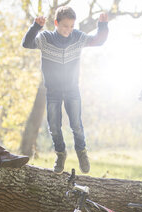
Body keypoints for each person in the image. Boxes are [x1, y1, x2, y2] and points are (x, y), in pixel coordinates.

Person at [22, 6, 109, 174]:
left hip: (72, 90)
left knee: (76, 125)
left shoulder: (77, 37)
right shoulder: (46, 38)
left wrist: (103, 25)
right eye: (64, 26)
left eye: (71, 26)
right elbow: (27, 43)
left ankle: (82, 152)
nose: (68, 30)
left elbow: (98, 40)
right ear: (56, 23)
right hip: (53, 92)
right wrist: (35, 27)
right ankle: (61, 153)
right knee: (54, 126)